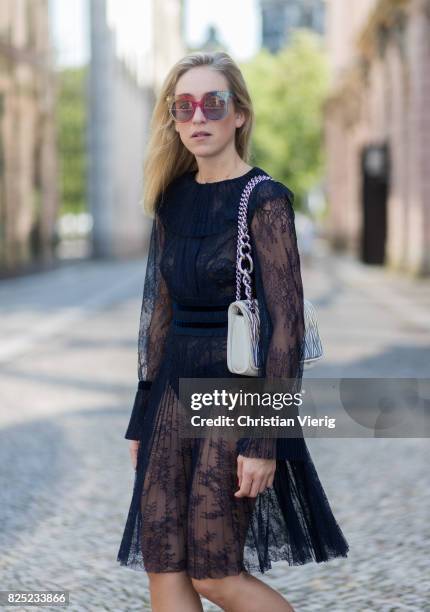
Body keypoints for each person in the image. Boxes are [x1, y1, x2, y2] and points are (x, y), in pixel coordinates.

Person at [117, 50, 349, 612]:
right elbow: (159, 314)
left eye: (213, 104)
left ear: (239, 114)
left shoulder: (264, 200)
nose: (199, 117)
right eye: (184, 106)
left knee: (215, 572)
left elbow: (286, 327)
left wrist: (264, 440)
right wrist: (141, 415)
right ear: (172, 118)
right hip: (173, 391)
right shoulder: (172, 199)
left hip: (236, 393)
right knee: (164, 562)